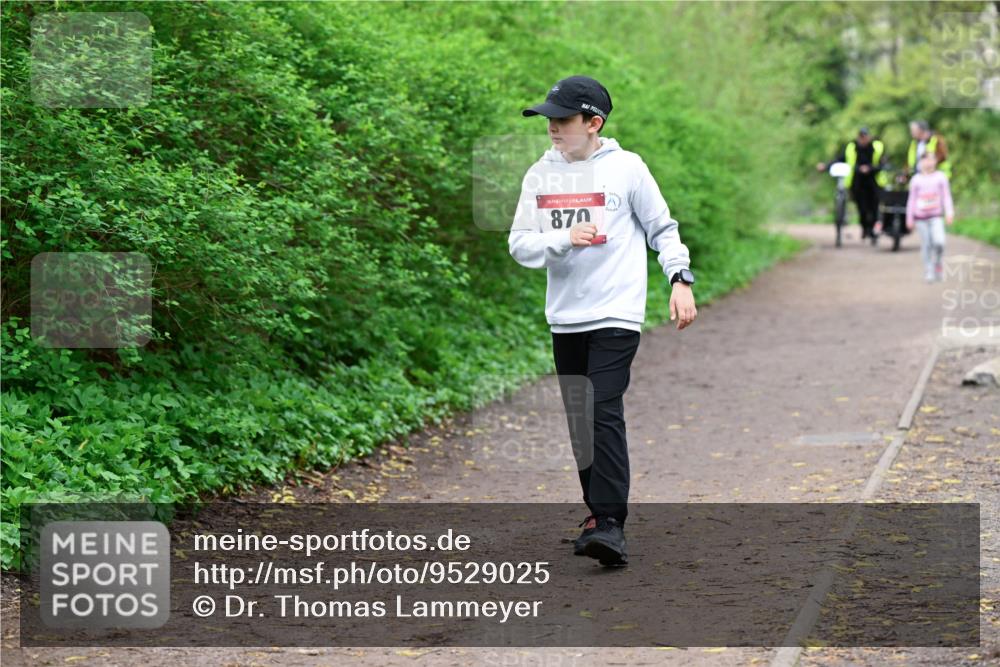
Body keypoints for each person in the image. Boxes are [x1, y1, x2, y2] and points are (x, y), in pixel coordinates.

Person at [508, 75, 697, 567]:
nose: (552, 128)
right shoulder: (539, 175)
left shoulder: (627, 169)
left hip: (616, 312)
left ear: (594, 122)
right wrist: (564, 238)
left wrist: (680, 279)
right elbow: (520, 244)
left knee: (601, 408)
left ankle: (610, 522)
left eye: (562, 119)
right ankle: (598, 516)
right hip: (565, 317)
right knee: (580, 419)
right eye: (548, 119)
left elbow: (663, 229)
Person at [816, 127, 889, 243]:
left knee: (874, 208)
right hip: (857, 182)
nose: (863, 139)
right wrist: (826, 166)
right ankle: (865, 228)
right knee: (862, 208)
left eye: (865, 137)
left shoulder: (877, 147)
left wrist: (870, 168)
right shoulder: (852, 147)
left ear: (869, 137)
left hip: (874, 181)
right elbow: (839, 159)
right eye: (861, 137)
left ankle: (872, 231)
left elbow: (883, 162)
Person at [906, 152, 955, 282]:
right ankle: (929, 270)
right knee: (926, 244)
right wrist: (909, 218)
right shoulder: (916, 180)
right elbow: (911, 200)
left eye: (931, 159)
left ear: (935, 162)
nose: (928, 162)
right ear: (920, 162)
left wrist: (949, 213)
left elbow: (946, 196)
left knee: (939, 242)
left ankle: (938, 263)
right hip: (920, 218)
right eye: (925, 160)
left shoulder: (941, 177)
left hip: (936, 216)